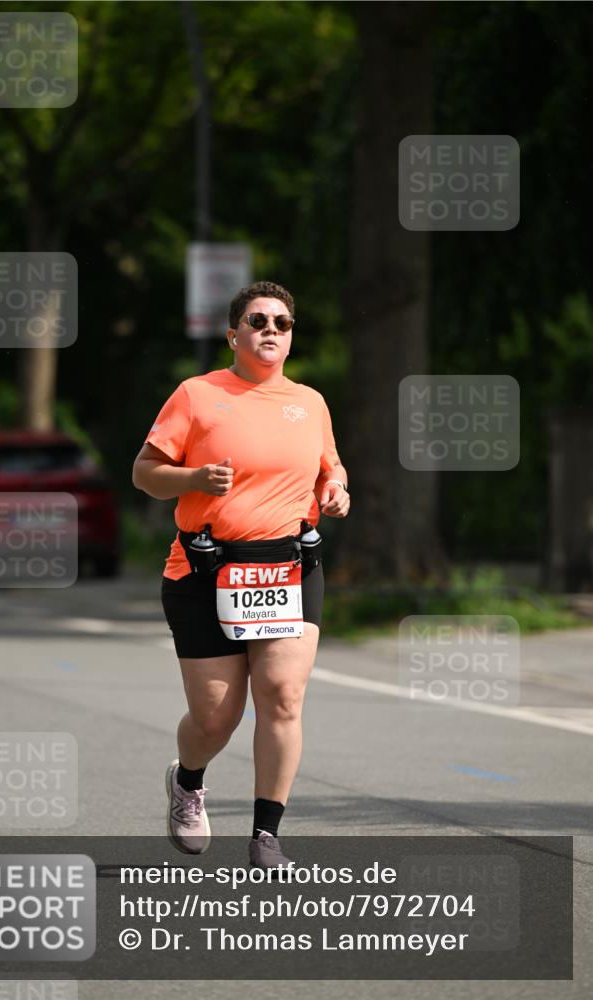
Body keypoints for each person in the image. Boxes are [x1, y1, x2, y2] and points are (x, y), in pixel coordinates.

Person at [132, 280, 349, 870]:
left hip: (289, 569)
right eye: (258, 321)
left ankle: (266, 834)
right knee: (215, 717)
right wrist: (195, 479)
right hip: (205, 571)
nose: (270, 331)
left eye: (281, 323)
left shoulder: (310, 402)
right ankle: (189, 780)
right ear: (234, 334)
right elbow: (145, 472)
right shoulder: (197, 396)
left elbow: (332, 468)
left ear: (290, 336)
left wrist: (335, 490)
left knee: (282, 697)